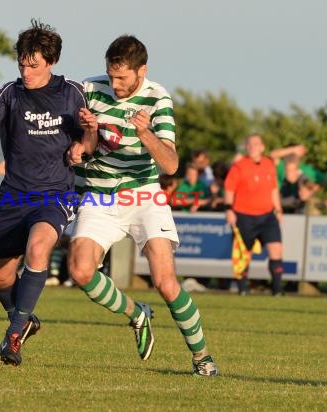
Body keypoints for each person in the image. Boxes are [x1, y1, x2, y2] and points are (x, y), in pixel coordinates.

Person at [0, 19, 92, 366]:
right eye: (22, 63)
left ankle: (14, 335)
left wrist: (82, 144)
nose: (26, 71)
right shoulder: (8, 94)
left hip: (55, 194)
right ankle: (23, 319)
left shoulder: (71, 93)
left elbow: (88, 141)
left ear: (51, 62)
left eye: (34, 65)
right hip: (13, 196)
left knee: (38, 249)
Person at [68, 35, 218, 376]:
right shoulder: (91, 88)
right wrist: (80, 146)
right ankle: (137, 313)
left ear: (142, 71)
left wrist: (146, 133)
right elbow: (81, 139)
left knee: (166, 282)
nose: (115, 85)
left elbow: (170, 165)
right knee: (80, 270)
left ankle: (202, 357)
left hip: (144, 196)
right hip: (99, 195)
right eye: (112, 76)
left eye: (123, 78)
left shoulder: (158, 97)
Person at [224, 134, 284, 296]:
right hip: (244, 215)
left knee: (276, 249)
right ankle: (243, 289)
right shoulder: (239, 165)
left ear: (262, 147)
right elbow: (229, 188)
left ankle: (278, 290)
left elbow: (273, 188)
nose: (252, 147)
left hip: (267, 215)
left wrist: (278, 209)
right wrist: (229, 209)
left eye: (256, 144)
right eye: (249, 144)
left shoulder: (269, 164)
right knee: (244, 254)